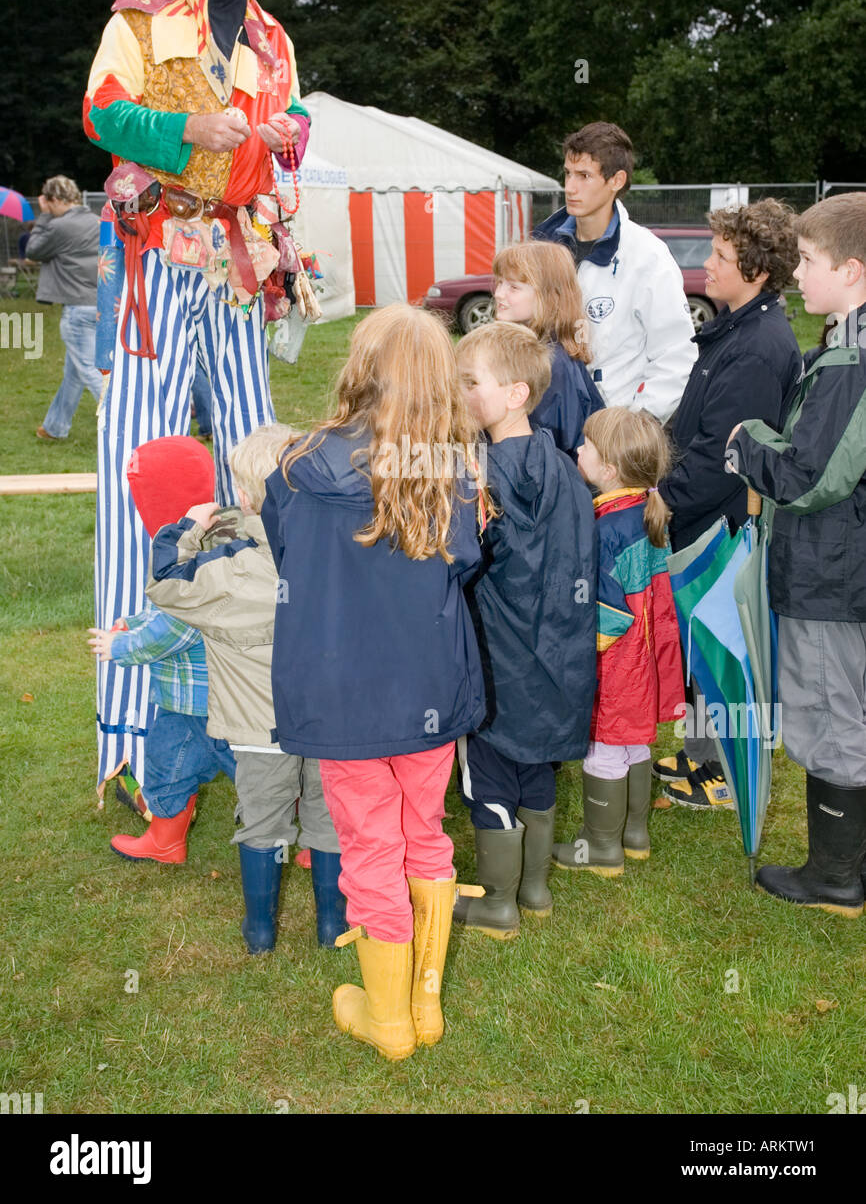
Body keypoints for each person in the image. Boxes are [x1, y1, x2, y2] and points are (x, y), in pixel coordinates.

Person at [85, 0, 315, 808]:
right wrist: (193, 128)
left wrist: (269, 135)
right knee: (141, 460)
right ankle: (134, 738)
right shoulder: (138, 15)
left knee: (254, 464)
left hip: (237, 262)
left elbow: (295, 125)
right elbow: (104, 112)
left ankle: (252, 710)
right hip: (154, 257)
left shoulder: (269, 34)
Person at [262, 306, 486, 1061]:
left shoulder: (297, 463)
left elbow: (284, 547)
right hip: (428, 690)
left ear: (360, 369)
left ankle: (391, 1017)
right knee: (424, 835)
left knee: (371, 849)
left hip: (341, 696)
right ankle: (422, 1004)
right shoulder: (448, 469)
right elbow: (465, 559)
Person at [146, 423, 346, 950]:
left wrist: (188, 528)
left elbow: (166, 581)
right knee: (330, 818)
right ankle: (333, 925)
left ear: (242, 495)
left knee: (262, 821)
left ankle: (260, 929)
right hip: (333, 721)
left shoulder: (227, 566)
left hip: (259, 727)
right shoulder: (340, 549)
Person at [726, 193, 866, 916]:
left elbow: (811, 476)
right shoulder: (845, 345)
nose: (797, 276)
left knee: (835, 715)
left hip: (832, 575)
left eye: (809, 262)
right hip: (845, 566)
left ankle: (836, 879)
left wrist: (747, 442)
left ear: (851, 269)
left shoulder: (852, 360)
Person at [654, 200, 803, 810]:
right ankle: (699, 754)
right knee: (702, 644)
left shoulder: (760, 346)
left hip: (722, 525)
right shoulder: (739, 326)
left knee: (723, 645)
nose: (706, 265)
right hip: (704, 518)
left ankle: (717, 775)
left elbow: (723, 454)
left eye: (720, 255)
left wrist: (663, 502)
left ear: (758, 271)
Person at [452, 322, 597, 938]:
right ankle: (535, 887)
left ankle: (498, 900)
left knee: (489, 770)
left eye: (469, 383)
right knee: (538, 765)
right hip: (558, 650)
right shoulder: (563, 464)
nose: (458, 393)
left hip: (498, 652)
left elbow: (467, 557)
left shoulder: (481, 474)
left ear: (514, 393)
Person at [88, 436, 236, 862]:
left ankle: (325, 838)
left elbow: (181, 625)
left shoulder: (199, 552)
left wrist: (123, 645)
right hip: (185, 702)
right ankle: (166, 840)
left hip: (214, 702)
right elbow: (165, 609)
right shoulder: (196, 539)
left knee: (262, 776)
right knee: (168, 763)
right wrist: (134, 621)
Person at [553, 407, 683, 875]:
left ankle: (600, 846)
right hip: (645, 656)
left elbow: (606, 613)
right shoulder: (645, 513)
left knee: (604, 744)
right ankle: (634, 832)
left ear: (608, 470)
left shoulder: (604, 527)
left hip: (615, 660)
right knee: (635, 739)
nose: (577, 450)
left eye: (586, 446)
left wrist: (573, 650)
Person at [533, 121, 696, 423]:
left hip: (608, 432)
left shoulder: (647, 256)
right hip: (542, 423)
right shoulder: (540, 247)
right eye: (568, 173)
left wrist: (634, 426)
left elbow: (676, 356)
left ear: (616, 180)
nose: (570, 187)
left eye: (584, 176)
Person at [492, 240, 603, 457]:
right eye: (499, 282)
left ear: (548, 296)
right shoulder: (534, 352)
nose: (498, 293)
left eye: (513, 287)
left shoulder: (553, 365)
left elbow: (552, 454)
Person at [26, 176, 102, 441]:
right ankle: (55, 427)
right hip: (99, 305)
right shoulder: (96, 221)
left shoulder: (59, 226)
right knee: (75, 372)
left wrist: (44, 218)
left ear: (54, 200)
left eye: (46, 202)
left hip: (76, 310)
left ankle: (120, 421)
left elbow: (33, 251)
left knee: (92, 373)